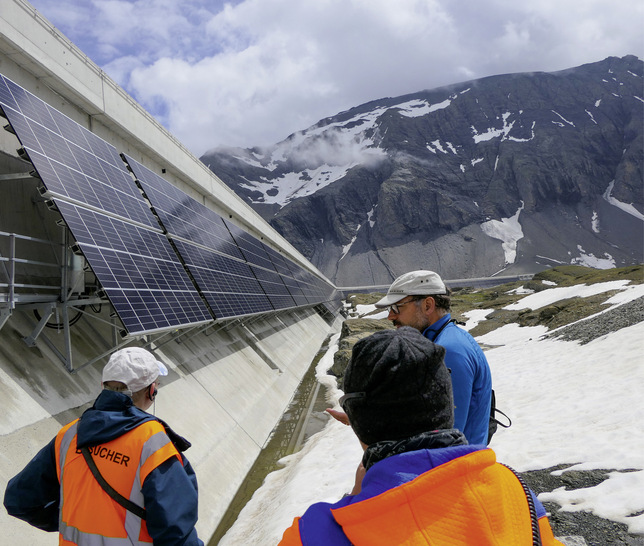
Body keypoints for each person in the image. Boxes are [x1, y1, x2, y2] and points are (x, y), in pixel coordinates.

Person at [280, 327, 562, 545]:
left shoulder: (314, 532)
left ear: (358, 417)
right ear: (445, 405)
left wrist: (355, 497)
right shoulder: (516, 491)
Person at [4, 347, 203, 546]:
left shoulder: (69, 435)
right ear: (151, 391)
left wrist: (76, 518)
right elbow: (178, 535)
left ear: (103, 385)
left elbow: (18, 501)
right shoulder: (153, 444)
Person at [376, 269, 492, 444]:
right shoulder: (446, 339)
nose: (390, 316)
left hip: (453, 466)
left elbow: (446, 435)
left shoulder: (448, 350)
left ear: (428, 305)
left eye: (396, 308)